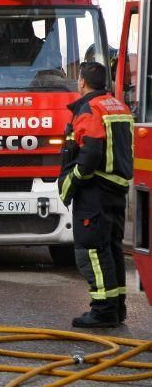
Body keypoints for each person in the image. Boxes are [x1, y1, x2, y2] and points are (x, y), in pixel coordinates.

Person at [58, 61, 134, 328]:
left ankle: (103, 310)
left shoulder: (90, 108)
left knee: (90, 250)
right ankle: (116, 308)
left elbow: (91, 152)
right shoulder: (118, 106)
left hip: (95, 191)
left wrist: (74, 180)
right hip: (116, 188)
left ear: (82, 82)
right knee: (111, 249)